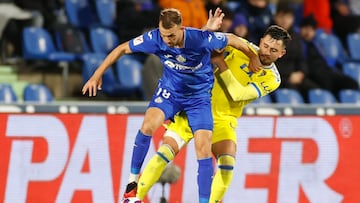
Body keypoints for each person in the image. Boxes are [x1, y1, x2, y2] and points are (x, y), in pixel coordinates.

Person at [82, 8, 262, 203]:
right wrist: (96, 75)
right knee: (148, 126)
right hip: (170, 93)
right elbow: (122, 49)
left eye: (171, 35)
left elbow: (232, 39)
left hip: (198, 99)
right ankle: (131, 187)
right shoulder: (155, 38)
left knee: (203, 149)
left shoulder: (200, 39)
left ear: (181, 28)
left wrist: (252, 56)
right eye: (164, 34)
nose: (167, 40)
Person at [127, 25, 291, 203]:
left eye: (273, 50)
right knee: (164, 154)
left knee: (227, 165)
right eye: (265, 46)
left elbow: (238, 94)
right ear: (260, 42)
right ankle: (133, 198)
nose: (266, 52)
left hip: (224, 118)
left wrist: (220, 62)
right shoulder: (244, 47)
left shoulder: (273, 79)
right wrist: (215, 47)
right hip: (197, 105)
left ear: (282, 53)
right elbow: (212, 41)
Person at [273, 2, 320, 102]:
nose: (285, 20)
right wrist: (288, 76)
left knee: (315, 91)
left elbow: (301, 59)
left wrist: (301, 73)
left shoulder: (296, 36)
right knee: (292, 92)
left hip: (296, 76)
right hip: (278, 77)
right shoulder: (269, 36)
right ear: (276, 17)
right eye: (282, 17)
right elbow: (269, 62)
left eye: (288, 17)